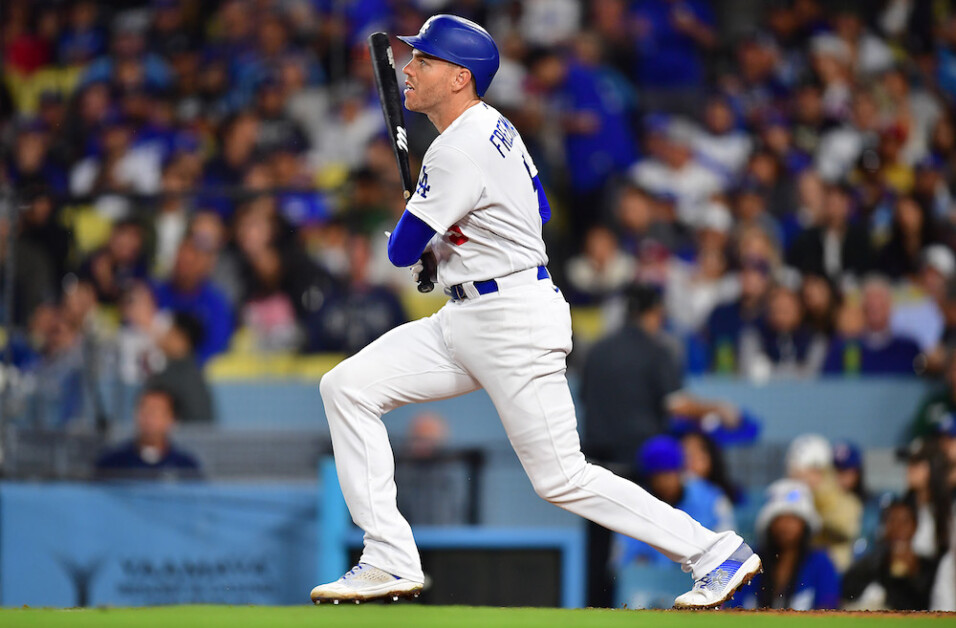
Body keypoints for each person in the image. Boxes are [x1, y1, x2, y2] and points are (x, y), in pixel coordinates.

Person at [309, 15, 760, 608]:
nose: (408, 69)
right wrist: (443, 247)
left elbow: (397, 250)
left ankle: (712, 552)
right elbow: (534, 209)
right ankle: (389, 557)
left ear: (460, 78)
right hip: (470, 315)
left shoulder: (458, 147)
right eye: (411, 58)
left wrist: (427, 242)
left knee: (561, 478)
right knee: (347, 387)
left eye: (424, 60)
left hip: (509, 321)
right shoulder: (494, 127)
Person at [726, 479, 841, 610]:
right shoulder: (748, 560)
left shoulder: (821, 563)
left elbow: (829, 607)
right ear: (769, 524)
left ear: (805, 524)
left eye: (793, 519)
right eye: (779, 519)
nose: (785, 526)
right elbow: (733, 606)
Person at [842, 497, 938, 611]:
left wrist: (913, 574)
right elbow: (848, 590)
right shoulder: (873, 562)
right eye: (892, 520)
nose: (898, 528)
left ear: (915, 526)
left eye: (904, 522)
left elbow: (930, 603)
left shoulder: (927, 567)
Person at [94, 386, 201, 480]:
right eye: (144, 410)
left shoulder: (185, 467)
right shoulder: (112, 463)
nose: (148, 418)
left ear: (172, 420)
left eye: (156, 412)